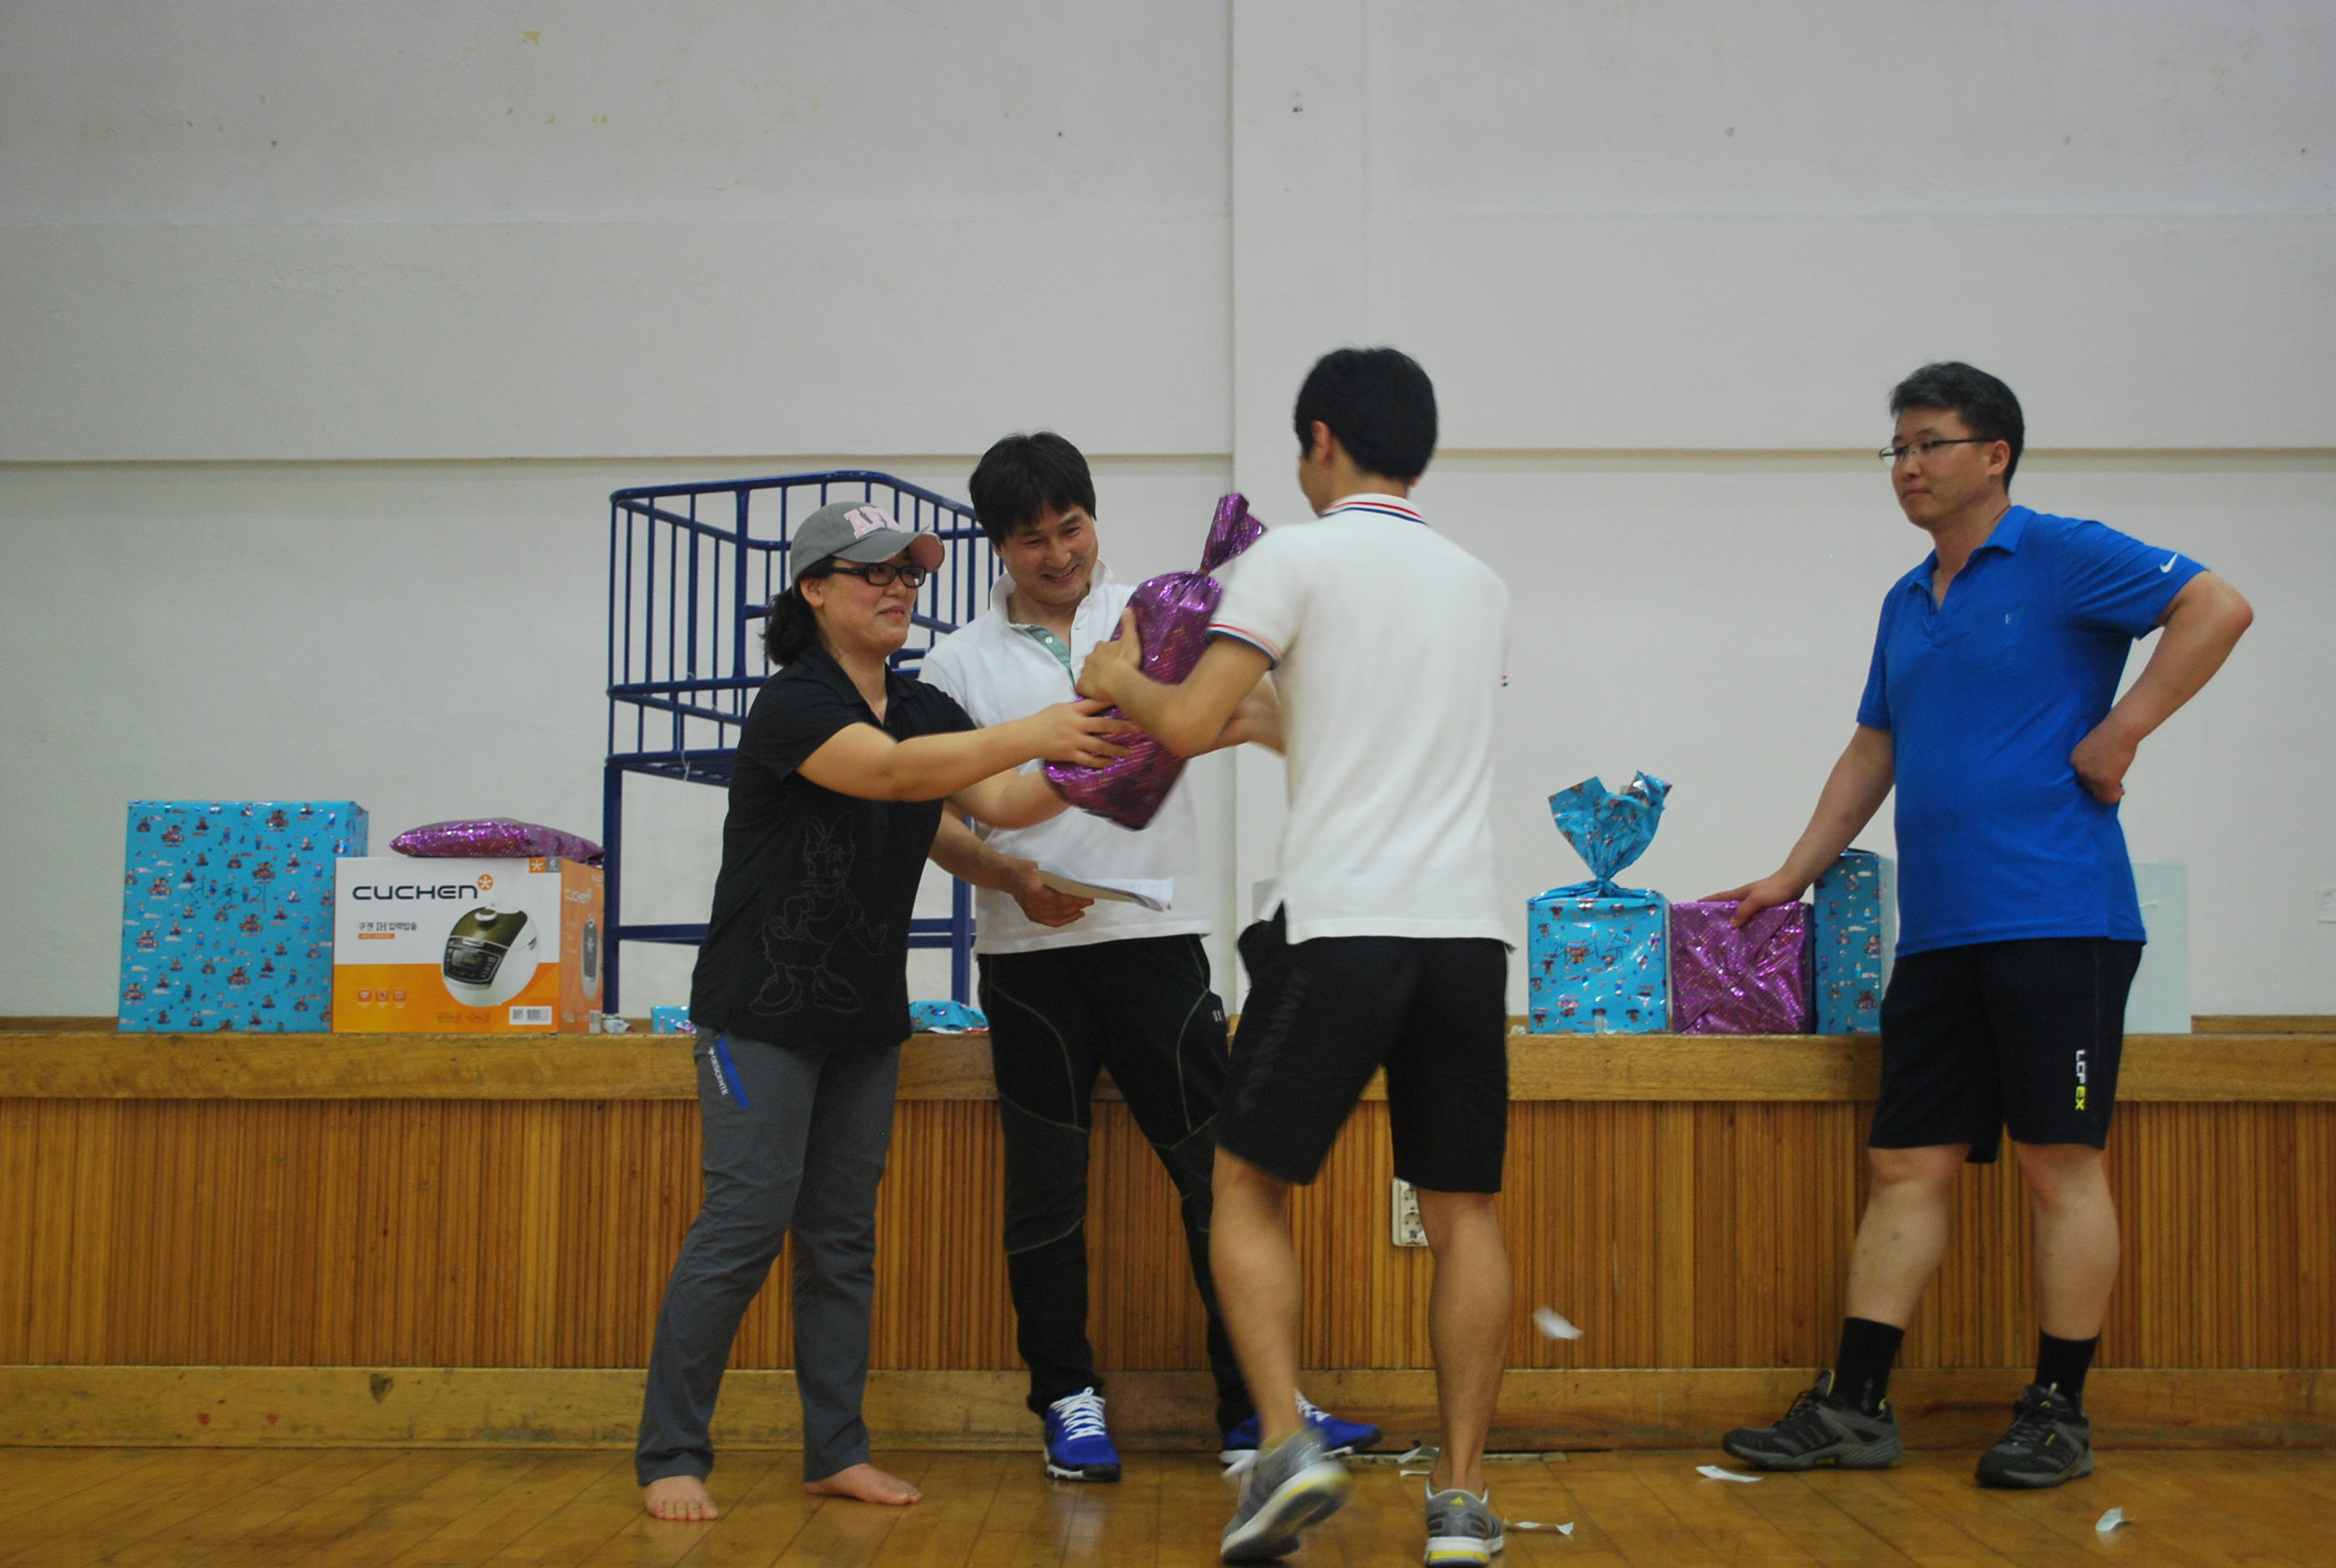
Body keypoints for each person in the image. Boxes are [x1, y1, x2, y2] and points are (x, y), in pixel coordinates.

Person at [1713, 362, 2252, 1489]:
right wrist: (1792, 873)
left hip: (2060, 918)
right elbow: (1874, 746)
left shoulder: (2062, 552)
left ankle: (2058, 1413)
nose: (1908, 466)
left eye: (1931, 444)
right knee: (1903, 1164)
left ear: (1994, 454)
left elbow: (2217, 606)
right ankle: (1856, 1405)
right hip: (1941, 935)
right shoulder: (1906, 601)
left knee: (2060, 1166)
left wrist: (2123, 731)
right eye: (1897, 448)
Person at [1077, 348, 1514, 1565]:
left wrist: (1119, 676)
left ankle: (1284, 1443)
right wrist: (1244, 722)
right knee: (1465, 1214)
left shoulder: (1295, 557)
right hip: (1466, 936)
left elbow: (1183, 719)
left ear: (1321, 439)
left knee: (1242, 1187)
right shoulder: (1479, 584)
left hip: (1342, 928)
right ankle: (1463, 1500)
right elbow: (1343, 721)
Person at [635, 500, 1134, 1522]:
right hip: (758, 1014)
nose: (899, 589)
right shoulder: (794, 704)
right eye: (875, 573)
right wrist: (1040, 730)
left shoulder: (918, 704)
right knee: (744, 1226)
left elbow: (987, 804)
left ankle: (836, 1451)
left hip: (862, 1018)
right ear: (814, 590)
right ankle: (672, 1454)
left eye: (909, 573)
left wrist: (1089, 761)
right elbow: (895, 775)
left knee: (841, 1241)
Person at [919, 432, 1379, 1483]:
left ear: (1094, 518)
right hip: (1027, 958)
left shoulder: (1161, 618)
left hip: (1159, 945)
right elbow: (936, 819)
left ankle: (1257, 1406)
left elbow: (1257, 713)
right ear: (997, 546)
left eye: (1071, 527)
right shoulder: (953, 664)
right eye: (1031, 540)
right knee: (1046, 1189)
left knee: (1221, 1178)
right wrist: (1007, 878)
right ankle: (1066, 1400)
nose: (1058, 554)